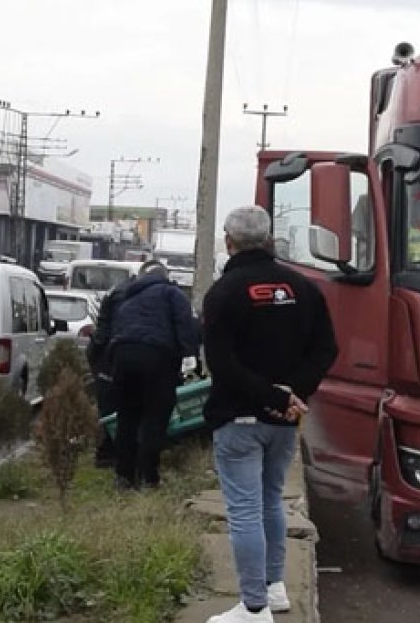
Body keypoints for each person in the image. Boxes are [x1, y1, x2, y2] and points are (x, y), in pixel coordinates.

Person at [202, 206, 338, 623]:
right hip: (284, 423)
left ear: (229, 241)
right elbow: (326, 349)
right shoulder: (304, 287)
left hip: (239, 419)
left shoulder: (223, 293)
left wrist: (273, 396)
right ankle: (275, 588)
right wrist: (293, 395)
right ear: (267, 239)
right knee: (271, 501)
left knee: (244, 511)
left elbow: (221, 365)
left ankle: (253, 608)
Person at [108, 260, 201, 489]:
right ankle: (149, 477)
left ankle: (124, 476)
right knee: (155, 418)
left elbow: (114, 329)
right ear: (165, 277)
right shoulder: (172, 294)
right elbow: (185, 327)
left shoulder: (127, 296)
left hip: (123, 357)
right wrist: (191, 360)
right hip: (157, 358)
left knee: (127, 417)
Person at [85, 279, 131, 468]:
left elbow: (102, 332)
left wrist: (94, 354)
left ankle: (106, 453)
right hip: (136, 357)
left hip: (109, 358)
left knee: (108, 409)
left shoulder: (114, 294)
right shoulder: (151, 295)